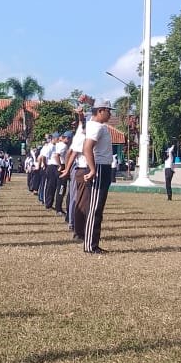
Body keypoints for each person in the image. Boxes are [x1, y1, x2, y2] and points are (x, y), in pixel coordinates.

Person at [74, 99, 114, 254]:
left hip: (102, 167)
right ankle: (90, 245)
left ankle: (92, 243)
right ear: (101, 111)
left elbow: (84, 126)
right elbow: (87, 148)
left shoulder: (91, 125)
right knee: (95, 208)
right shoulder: (96, 127)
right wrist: (92, 170)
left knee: (97, 207)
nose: (110, 114)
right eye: (108, 111)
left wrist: (81, 115)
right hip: (99, 167)